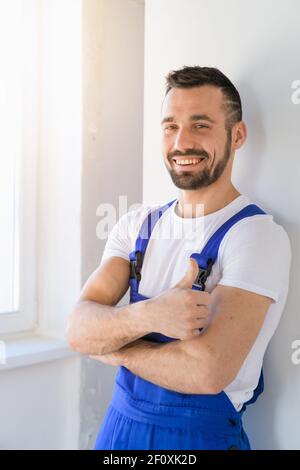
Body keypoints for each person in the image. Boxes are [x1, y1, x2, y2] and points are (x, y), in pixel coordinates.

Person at [67, 66, 291, 450]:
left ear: (237, 135)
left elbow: (207, 371)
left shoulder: (255, 235)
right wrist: (152, 315)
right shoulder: (137, 224)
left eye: (200, 125)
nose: (181, 142)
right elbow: (78, 331)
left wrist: (115, 344)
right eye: (170, 126)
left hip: (198, 438)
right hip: (117, 430)